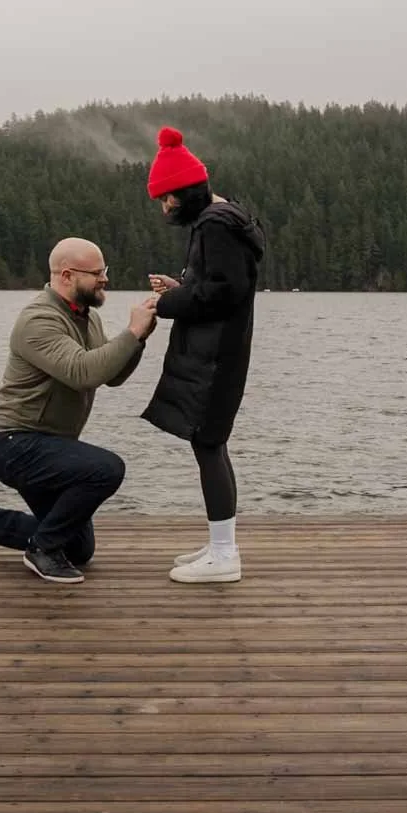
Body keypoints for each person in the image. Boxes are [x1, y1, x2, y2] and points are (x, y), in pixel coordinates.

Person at [0, 238, 159, 584]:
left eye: (104, 271)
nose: (105, 279)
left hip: (47, 444)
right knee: (107, 468)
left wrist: (138, 339)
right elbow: (83, 373)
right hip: (14, 444)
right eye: (97, 273)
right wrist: (132, 331)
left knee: (78, 548)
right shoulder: (38, 320)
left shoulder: (87, 317)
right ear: (67, 275)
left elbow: (111, 375)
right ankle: (41, 551)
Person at [141, 127, 267, 584]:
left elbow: (224, 294)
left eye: (166, 199)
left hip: (217, 357)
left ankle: (224, 554)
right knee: (210, 443)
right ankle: (220, 543)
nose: (165, 208)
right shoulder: (225, 218)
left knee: (208, 443)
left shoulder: (214, 224)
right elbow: (220, 287)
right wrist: (184, 289)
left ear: (186, 191)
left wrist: (168, 304)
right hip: (225, 351)